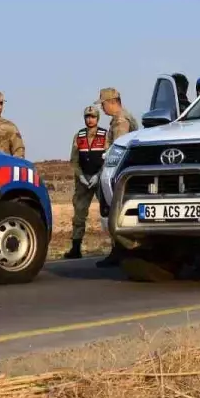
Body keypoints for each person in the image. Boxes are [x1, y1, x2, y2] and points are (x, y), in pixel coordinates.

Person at [95, 87, 139, 267]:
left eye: (103, 104)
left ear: (112, 102)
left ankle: (120, 250)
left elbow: (118, 149)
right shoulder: (119, 119)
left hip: (117, 175)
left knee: (113, 210)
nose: (102, 108)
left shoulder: (121, 121)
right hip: (121, 174)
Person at [64, 105, 107, 259]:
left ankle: (116, 248)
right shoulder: (79, 136)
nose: (90, 119)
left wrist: (99, 175)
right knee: (79, 215)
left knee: (108, 212)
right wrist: (80, 176)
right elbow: (74, 160)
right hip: (83, 180)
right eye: (88, 116)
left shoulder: (105, 135)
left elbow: (108, 159)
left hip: (100, 179)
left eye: (93, 116)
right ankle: (76, 248)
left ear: (98, 118)